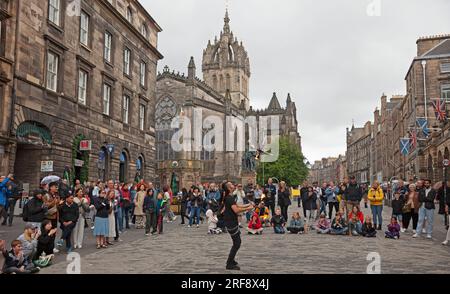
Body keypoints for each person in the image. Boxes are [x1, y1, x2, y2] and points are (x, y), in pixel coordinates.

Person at [222, 181, 254, 270]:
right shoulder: (229, 198)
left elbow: (237, 206)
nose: (233, 185)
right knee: (237, 243)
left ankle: (231, 260)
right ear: (229, 188)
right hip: (231, 223)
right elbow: (236, 210)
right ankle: (229, 263)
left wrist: (247, 205)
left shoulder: (230, 197)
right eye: (231, 184)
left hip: (232, 222)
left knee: (237, 243)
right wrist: (249, 208)